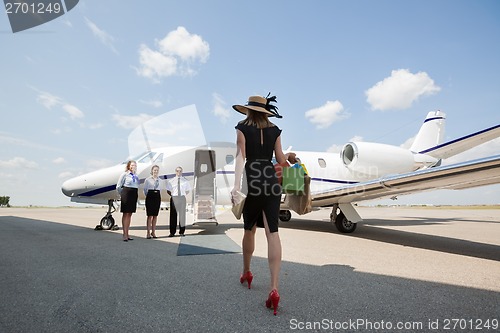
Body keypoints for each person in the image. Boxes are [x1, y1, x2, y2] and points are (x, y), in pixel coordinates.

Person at [231, 94, 296, 316]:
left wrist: (235, 187)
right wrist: (289, 157)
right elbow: (279, 159)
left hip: (253, 180)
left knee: (249, 229)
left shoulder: (241, 128)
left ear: (248, 110)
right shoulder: (275, 130)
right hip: (271, 180)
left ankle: (247, 272)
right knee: (273, 233)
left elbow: (241, 157)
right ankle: (274, 289)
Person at [116, 160, 139, 242]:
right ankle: (124, 234)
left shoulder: (136, 175)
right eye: (132, 165)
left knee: (130, 214)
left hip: (134, 194)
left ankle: (127, 233)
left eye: (135, 165)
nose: (134, 166)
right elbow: (118, 186)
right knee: (126, 214)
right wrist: (122, 195)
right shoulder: (124, 174)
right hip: (126, 194)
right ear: (129, 166)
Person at [166, 166, 191, 237]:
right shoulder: (171, 180)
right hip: (174, 198)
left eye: (180, 171)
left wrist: (182, 195)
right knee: (173, 215)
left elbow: (187, 190)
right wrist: (173, 195)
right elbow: (168, 190)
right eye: (177, 171)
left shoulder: (185, 181)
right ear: (175, 172)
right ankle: (172, 232)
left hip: (182, 198)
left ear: (182, 172)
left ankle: (182, 231)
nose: (179, 172)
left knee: (182, 216)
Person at [143, 165, 162, 239]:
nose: (156, 171)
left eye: (157, 170)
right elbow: (145, 190)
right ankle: (148, 232)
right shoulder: (148, 180)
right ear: (152, 171)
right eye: (154, 170)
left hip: (157, 196)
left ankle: (153, 232)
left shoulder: (160, 180)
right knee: (149, 216)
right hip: (150, 196)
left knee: (155, 216)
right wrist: (149, 196)